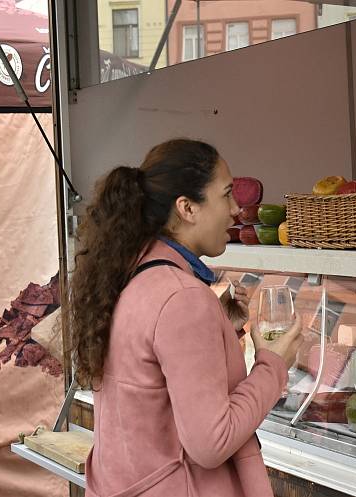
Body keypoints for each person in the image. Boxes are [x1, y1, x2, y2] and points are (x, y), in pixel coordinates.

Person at [66, 138, 304, 497]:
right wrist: (273, 365)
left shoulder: (134, 273)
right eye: (226, 194)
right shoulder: (182, 297)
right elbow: (212, 442)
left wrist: (219, 329)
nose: (237, 208)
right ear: (187, 208)